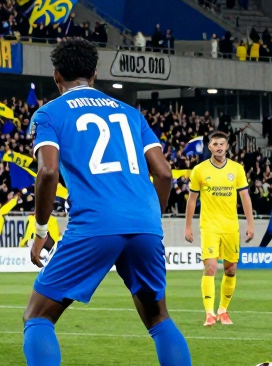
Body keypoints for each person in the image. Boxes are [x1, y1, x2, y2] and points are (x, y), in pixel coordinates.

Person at [21, 38, 192, 366]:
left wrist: (41, 230)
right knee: (158, 318)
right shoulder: (130, 113)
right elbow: (165, 174)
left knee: (37, 316)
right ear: (95, 73)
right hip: (144, 222)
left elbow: (47, 171)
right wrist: (149, 219)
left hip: (95, 221)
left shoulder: (49, 113)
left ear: (57, 76)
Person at [183, 131, 255, 326]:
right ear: (209, 147)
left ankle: (223, 310)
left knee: (231, 269)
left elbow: (245, 197)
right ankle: (209, 313)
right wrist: (188, 226)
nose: (219, 147)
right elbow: (192, 199)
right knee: (211, 266)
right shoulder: (199, 170)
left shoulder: (237, 169)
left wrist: (250, 224)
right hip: (209, 226)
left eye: (222, 144)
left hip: (231, 226)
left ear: (227, 146)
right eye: (215, 144)